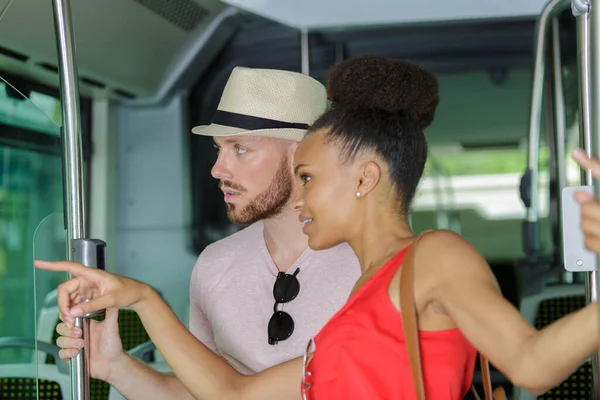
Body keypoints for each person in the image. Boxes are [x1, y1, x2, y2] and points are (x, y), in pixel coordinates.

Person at [38, 56, 599, 399]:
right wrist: (131, 317)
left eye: (307, 176)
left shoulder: (434, 257)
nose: (299, 198)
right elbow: (234, 394)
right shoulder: (364, 298)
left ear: (364, 179)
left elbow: (531, 364)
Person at [52, 66, 361, 399]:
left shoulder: (369, 263)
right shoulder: (214, 264)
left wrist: (144, 299)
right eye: (218, 149)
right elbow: (203, 393)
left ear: (302, 154)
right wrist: (116, 367)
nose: (217, 169)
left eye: (239, 148)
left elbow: (232, 394)